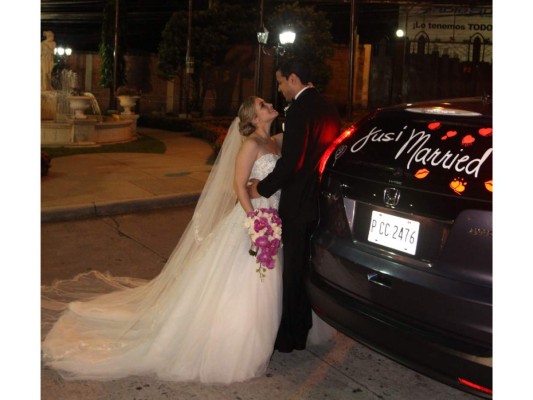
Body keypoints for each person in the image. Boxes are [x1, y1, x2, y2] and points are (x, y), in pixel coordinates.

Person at [41, 96, 285, 384]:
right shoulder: (251, 145)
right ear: (254, 120)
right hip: (255, 221)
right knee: (245, 283)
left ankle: (255, 338)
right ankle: (235, 343)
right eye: (261, 105)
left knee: (262, 283)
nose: (268, 104)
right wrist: (253, 220)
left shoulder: (275, 142)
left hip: (273, 220)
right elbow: (238, 186)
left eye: (266, 102)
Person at [248, 58, 341, 353]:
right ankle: (301, 328)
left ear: (293, 79)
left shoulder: (300, 109)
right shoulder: (328, 106)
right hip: (319, 200)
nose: (279, 88)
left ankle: (290, 336)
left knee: (293, 272)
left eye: (279, 81)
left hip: (298, 203)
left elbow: (291, 164)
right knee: (306, 270)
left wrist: (261, 189)